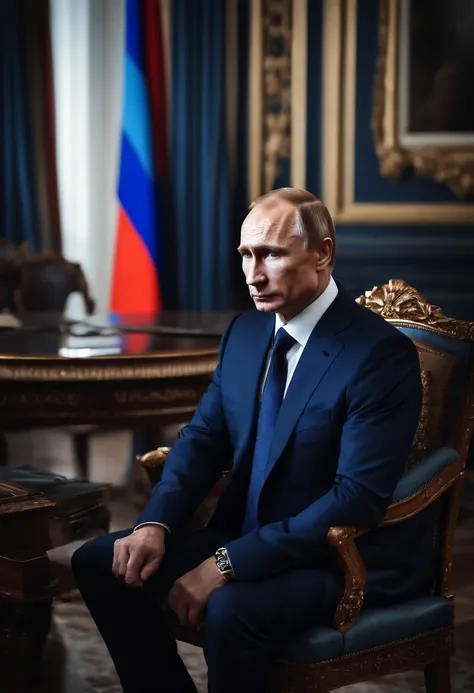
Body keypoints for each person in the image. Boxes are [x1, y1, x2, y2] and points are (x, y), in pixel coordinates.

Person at [72, 188, 424, 693]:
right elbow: (203, 439)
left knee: (231, 610)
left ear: (323, 254)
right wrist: (155, 522)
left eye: (272, 255)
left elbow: (357, 498)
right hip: (242, 531)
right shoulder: (246, 332)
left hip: (333, 556)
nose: (253, 274)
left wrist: (226, 565)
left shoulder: (378, 354)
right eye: (246, 255)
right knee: (100, 564)